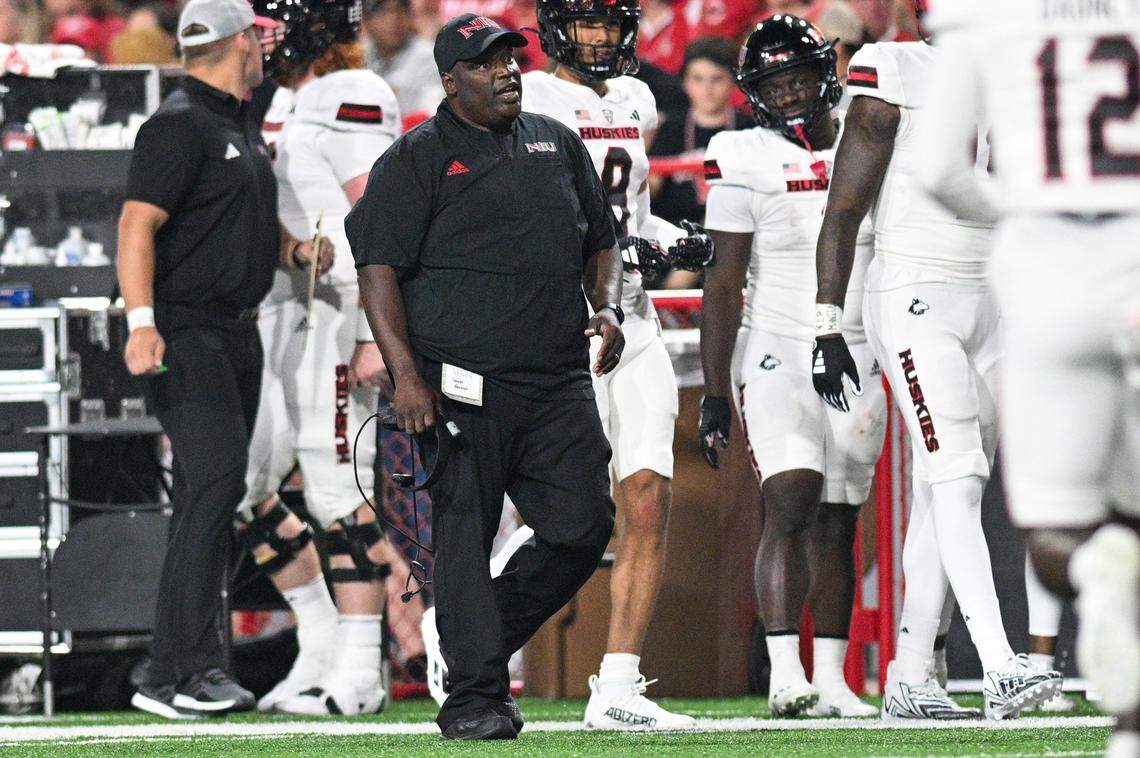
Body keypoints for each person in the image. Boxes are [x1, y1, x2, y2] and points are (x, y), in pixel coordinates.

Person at [347, 13, 624, 740]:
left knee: (583, 525)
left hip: (558, 379)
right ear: (449, 80)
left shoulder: (554, 142)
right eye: (486, 63)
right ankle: (474, 698)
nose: (507, 72)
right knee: (464, 533)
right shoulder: (416, 158)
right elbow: (376, 269)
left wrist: (607, 305)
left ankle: (472, 639)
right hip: (461, 385)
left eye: (511, 58)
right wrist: (407, 378)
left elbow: (603, 237)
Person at [811, 0, 1062, 720]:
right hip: (918, 293)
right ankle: (1000, 663)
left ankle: (912, 675)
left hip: (996, 296)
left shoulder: (1018, 72)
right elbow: (843, 209)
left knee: (945, 488)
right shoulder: (894, 68)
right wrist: (828, 324)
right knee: (956, 478)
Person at [917, 0, 1138, 751]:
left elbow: (939, 168)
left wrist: (1025, 217)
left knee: (1059, 528)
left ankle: (1102, 576)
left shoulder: (987, 12)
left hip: (1051, 279)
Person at [519, 0, 714, 730]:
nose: (599, 38)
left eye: (610, 22)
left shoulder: (634, 99)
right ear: (557, 28)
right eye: (587, 22)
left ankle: (621, 684)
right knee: (567, 512)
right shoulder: (529, 97)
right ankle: (471, 631)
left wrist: (674, 238)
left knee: (646, 495)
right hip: (559, 323)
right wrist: (608, 251)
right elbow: (539, 211)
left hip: (633, 319)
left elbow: (629, 210)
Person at [116, 0, 309, 719]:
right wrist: (142, 323)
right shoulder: (178, 124)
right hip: (183, 327)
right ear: (238, 44)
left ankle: (188, 666)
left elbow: (237, 215)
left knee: (211, 492)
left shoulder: (235, 121)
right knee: (217, 481)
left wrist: (291, 249)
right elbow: (137, 223)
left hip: (234, 329)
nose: (268, 45)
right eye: (258, 36)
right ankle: (173, 672)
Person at [231, 0, 413, 717]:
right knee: (245, 485)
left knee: (338, 489)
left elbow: (377, 218)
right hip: (281, 311)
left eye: (274, 27)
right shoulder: (285, 96)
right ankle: (318, 640)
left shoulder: (354, 93)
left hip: (337, 311)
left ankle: (362, 670)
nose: (263, 41)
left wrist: (376, 334)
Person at [698, 15, 884, 719]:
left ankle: (832, 678)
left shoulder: (866, 134)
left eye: (801, 75)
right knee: (791, 499)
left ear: (825, 72)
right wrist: (716, 390)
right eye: (775, 82)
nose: (792, 91)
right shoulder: (741, 153)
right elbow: (722, 280)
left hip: (858, 346)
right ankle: (785, 672)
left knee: (840, 517)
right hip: (777, 345)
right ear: (755, 91)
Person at [647, 37, 742, 258]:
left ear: (733, 81)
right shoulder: (671, 127)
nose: (707, 89)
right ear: (685, 82)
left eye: (717, 79)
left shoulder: (749, 129)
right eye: (697, 79)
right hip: (672, 240)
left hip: (732, 239)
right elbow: (652, 187)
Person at [362, 0, 445, 120]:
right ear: (365, 21)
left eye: (400, 10)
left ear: (410, 17)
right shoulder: (359, 55)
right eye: (382, 12)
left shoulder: (430, 57)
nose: (393, 19)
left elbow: (431, 115)